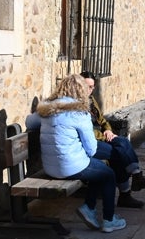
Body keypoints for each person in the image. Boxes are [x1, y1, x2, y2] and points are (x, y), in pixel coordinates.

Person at [25, 74, 126, 233]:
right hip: (70, 168)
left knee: (99, 169)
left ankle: (89, 209)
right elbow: (92, 150)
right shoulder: (80, 113)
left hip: (51, 168)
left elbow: (29, 122)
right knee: (109, 175)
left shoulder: (47, 110)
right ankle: (108, 220)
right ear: (80, 90)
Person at [80, 71, 145, 208]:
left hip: (100, 137)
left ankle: (133, 182)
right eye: (86, 86)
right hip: (90, 142)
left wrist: (108, 129)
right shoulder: (76, 105)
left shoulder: (91, 100)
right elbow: (85, 131)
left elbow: (102, 119)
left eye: (92, 87)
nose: (89, 90)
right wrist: (104, 136)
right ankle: (131, 185)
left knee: (121, 146)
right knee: (120, 149)